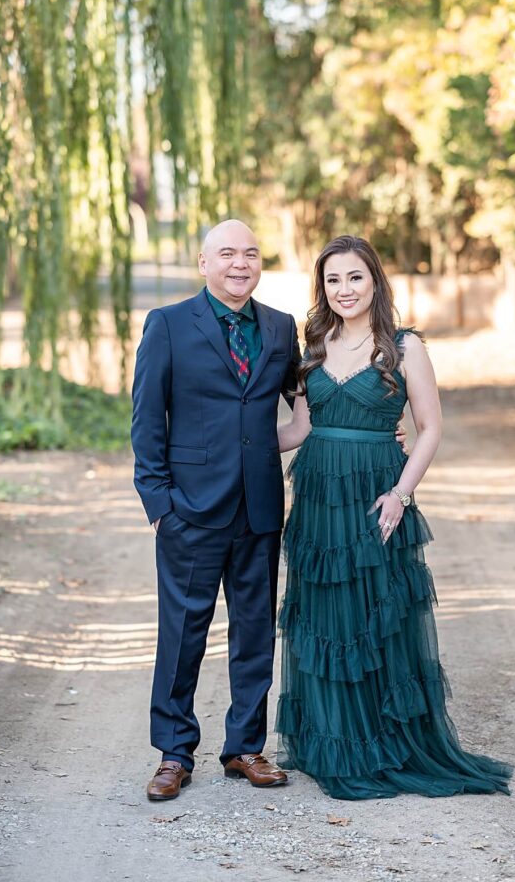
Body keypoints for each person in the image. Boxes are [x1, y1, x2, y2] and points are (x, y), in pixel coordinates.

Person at [275, 235, 513, 800]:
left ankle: (383, 744)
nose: (344, 290)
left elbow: (429, 427)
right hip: (318, 494)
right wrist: (233, 441)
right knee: (325, 616)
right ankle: (332, 740)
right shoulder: (311, 345)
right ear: (322, 287)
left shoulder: (403, 346)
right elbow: (300, 429)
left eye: (355, 277)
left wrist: (400, 494)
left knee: (376, 620)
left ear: (375, 281)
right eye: (333, 280)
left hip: (378, 492)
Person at [131, 220, 301, 798]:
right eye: (227, 253)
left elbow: (308, 404)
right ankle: (174, 753)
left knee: (255, 632)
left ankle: (245, 748)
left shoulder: (280, 328)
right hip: (190, 513)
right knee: (182, 634)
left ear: (260, 264)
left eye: (250, 254)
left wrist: (377, 429)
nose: (240, 263)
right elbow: (148, 420)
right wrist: (160, 505)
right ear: (203, 264)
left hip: (259, 510)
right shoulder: (169, 325)